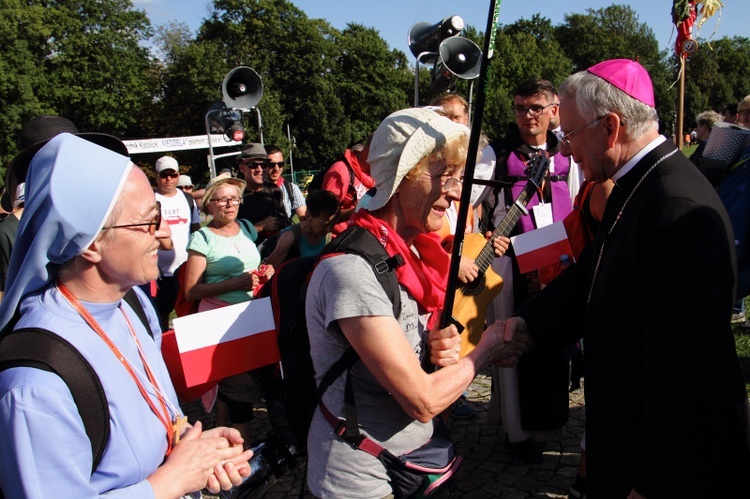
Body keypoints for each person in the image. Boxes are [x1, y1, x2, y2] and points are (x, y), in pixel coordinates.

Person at [502, 59, 750, 497]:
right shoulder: (634, 183)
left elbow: (689, 371)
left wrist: (653, 484)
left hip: (654, 463)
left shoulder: (674, 209)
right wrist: (528, 324)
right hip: (624, 432)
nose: (563, 151)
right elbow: (594, 274)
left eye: (571, 134)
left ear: (610, 128)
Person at [0, 133, 252, 497]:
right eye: (149, 222)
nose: (165, 233)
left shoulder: (132, 302)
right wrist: (173, 480)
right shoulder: (34, 387)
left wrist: (192, 448)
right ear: (89, 245)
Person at [305, 107, 529, 498]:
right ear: (399, 175)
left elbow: (409, 359)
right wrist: (488, 347)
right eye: (444, 176)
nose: (457, 192)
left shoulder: (415, 256)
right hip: (356, 475)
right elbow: (422, 401)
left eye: (459, 179)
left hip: (413, 458)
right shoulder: (351, 271)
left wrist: (433, 352)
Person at [473, 78, 575, 463]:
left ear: (553, 110)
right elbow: (465, 202)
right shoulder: (496, 152)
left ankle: (549, 421)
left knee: (551, 343)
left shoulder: (567, 150)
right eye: (519, 108)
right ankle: (516, 433)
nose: (527, 115)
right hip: (512, 263)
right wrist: (481, 240)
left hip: (559, 263)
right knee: (513, 346)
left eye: (535, 107)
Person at [184, 172, 274, 444]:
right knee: (241, 387)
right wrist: (235, 282)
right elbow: (191, 291)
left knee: (234, 384)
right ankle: (241, 454)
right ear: (209, 205)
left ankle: (219, 434)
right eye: (222, 200)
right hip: (218, 321)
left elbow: (250, 263)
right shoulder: (202, 238)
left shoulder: (246, 227)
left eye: (234, 199)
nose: (229, 204)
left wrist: (265, 269)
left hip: (249, 317)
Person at [153, 156, 201, 331]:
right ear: (156, 176)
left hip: (186, 269)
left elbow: (196, 231)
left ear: (178, 175)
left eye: (172, 175)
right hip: (159, 272)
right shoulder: (150, 199)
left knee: (189, 313)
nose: (168, 179)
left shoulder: (187, 200)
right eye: (164, 175)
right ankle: (164, 350)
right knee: (162, 315)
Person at [264, 189, 339, 269]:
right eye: (324, 225)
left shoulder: (327, 237)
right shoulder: (290, 237)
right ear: (308, 216)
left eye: (333, 224)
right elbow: (268, 271)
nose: (329, 230)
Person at [235, 143, 289, 250]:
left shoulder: (274, 191)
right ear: (242, 168)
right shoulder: (235, 196)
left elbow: (286, 222)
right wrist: (260, 226)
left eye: (264, 165)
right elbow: (230, 236)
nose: (260, 169)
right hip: (248, 254)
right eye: (253, 165)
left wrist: (279, 223)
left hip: (276, 251)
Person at [321, 139, 375, 236]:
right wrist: (359, 210)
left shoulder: (372, 176)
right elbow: (324, 216)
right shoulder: (341, 170)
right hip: (339, 243)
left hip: (359, 240)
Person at [264, 144, 307, 221]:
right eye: (271, 165)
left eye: (280, 164)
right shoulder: (254, 189)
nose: (276, 168)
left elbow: (304, 219)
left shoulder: (291, 188)